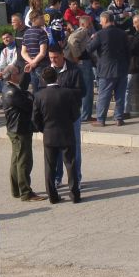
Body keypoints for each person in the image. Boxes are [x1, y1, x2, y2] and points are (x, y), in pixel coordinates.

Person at [32, 67, 81, 204]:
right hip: (66, 133)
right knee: (70, 164)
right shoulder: (67, 93)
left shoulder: (39, 95)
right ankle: (75, 195)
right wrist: (67, 123)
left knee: (50, 167)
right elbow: (76, 114)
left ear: (43, 79)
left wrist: (44, 129)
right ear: (57, 78)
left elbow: (35, 118)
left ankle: (53, 196)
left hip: (49, 135)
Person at [0, 65, 42, 202]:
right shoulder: (12, 92)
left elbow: (22, 91)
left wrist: (27, 75)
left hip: (15, 129)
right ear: (12, 76)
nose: (20, 75)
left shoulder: (8, 88)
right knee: (24, 161)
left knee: (16, 160)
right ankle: (25, 192)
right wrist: (30, 97)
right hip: (20, 129)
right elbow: (28, 104)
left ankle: (16, 190)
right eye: (18, 73)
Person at [87, 11, 130, 126]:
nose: (100, 23)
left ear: (105, 20)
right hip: (122, 68)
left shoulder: (100, 34)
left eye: (101, 21)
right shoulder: (122, 33)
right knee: (120, 95)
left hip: (106, 71)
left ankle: (101, 119)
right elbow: (128, 51)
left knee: (104, 96)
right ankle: (119, 118)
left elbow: (89, 49)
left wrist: (91, 39)